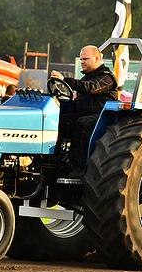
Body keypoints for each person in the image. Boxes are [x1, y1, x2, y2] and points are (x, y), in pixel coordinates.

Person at [50, 45, 118, 178]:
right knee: (56, 120)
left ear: (97, 58)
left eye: (86, 59)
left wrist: (65, 80)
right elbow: (78, 103)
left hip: (102, 119)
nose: (82, 62)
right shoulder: (84, 79)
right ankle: (53, 158)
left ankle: (78, 168)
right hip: (84, 114)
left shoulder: (106, 77)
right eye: (81, 59)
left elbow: (91, 88)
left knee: (84, 122)